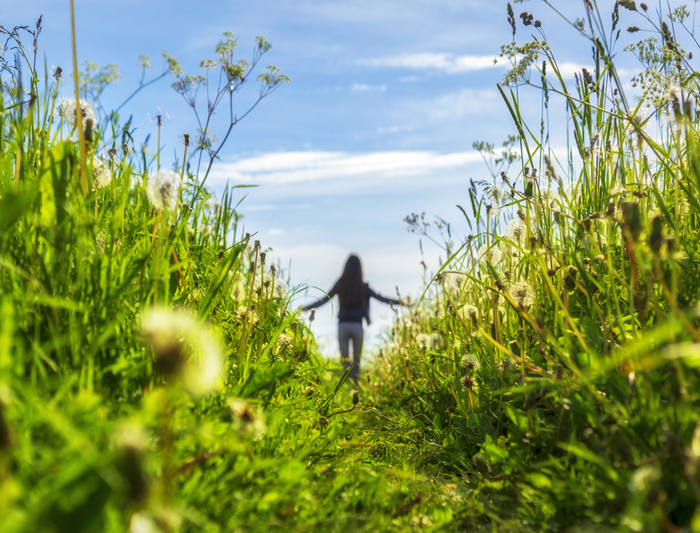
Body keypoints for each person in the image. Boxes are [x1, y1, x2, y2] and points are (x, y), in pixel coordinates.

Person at [302, 254, 402, 382]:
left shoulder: (341, 284)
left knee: (345, 359)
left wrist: (306, 307)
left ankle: (346, 384)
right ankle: (355, 385)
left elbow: (325, 299)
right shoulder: (364, 286)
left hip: (343, 326)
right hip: (357, 326)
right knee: (357, 360)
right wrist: (402, 302)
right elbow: (382, 298)